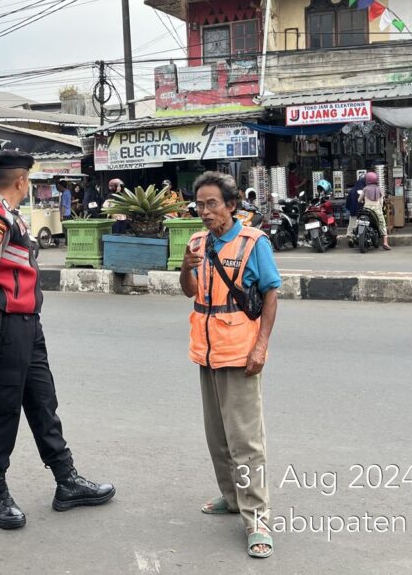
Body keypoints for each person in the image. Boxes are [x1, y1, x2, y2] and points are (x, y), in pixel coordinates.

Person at [0, 151, 114, 530]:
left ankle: (66, 480)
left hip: (26, 324)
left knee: (43, 402)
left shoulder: (5, 213)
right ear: (21, 181)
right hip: (4, 327)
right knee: (2, 412)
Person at [179, 171, 281, 559]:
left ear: (231, 205)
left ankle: (257, 518)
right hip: (206, 352)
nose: (205, 212)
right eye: (200, 205)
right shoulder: (197, 243)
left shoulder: (253, 243)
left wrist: (261, 347)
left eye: (212, 204)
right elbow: (189, 291)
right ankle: (232, 496)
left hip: (240, 353)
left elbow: (271, 295)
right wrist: (186, 267)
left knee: (245, 442)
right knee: (218, 436)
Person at [360, 171, 391, 250]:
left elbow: (359, 199)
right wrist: (380, 207)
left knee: (359, 221)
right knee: (382, 224)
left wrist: (362, 201)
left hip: (366, 209)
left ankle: (354, 236)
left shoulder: (365, 189)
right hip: (377, 209)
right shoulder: (379, 189)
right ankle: (385, 242)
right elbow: (381, 202)